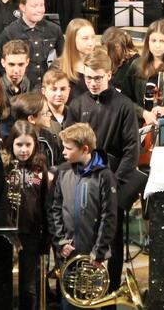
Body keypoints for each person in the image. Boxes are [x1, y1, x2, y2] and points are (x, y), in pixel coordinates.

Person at [62, 49, 142, 288]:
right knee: (81, 240)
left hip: (112, 183)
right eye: (88, 78)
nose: (92, 83)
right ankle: (81, 292)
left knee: (112, 243)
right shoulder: (77, 105)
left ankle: (112, 292)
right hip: (82, 184)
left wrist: (113, 183)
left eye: (97, 78)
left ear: (109, 74)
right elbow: (68, 145)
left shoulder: (124, 106)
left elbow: (132, 150)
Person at [49, 122, 117, 310]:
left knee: (90, 303)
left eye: (68, 148)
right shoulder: (62, 171)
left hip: (93, 257)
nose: (63, 152)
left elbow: (109, 216)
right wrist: (60, 242)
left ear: (85, 149)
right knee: (68, 303)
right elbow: (54, 209)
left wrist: (100, 251)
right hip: (68, 254)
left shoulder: (104, 175)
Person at [4, 121, 51, 310]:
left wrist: (46, 239)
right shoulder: (4, 166)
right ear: (11, 144)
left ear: (35, 145)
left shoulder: (40, 168)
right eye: (19, 145)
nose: (23, 150)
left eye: (28, 145)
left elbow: (46, 202)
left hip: (31, 232)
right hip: (8, 233)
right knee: (4, 281)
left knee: (29, 284)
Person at [0, 0, 64, 89]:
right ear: (22, 7)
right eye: (34, 6)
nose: (39, 10)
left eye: (42, 5)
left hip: (49, 88)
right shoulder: (9, 33)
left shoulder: (54, 30)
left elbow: (64, 59)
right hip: (21, 91)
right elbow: (1, 68)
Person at [12, 92, 61, 168]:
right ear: (31, 119)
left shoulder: (48, 137)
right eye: (46, 113)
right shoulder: (14, 138)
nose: (50, 115)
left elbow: (57, 163)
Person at [57, 18, 97, 97]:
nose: (91, 43)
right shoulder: (59, 67)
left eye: (93, 37)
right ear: (72, 40)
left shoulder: (99, 63)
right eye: (85, 38)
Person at [101, 27, 140, 94]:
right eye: (104, 49)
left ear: (117, 47)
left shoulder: (136, 63)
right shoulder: (108, 60)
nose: (106, 53)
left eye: (108, 50)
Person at [42, 68, 71, 137]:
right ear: (43, 91)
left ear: (69, 90)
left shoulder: (75, 115)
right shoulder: (38, 119)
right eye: (54, 89)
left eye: (63, 89)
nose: (59, 94)